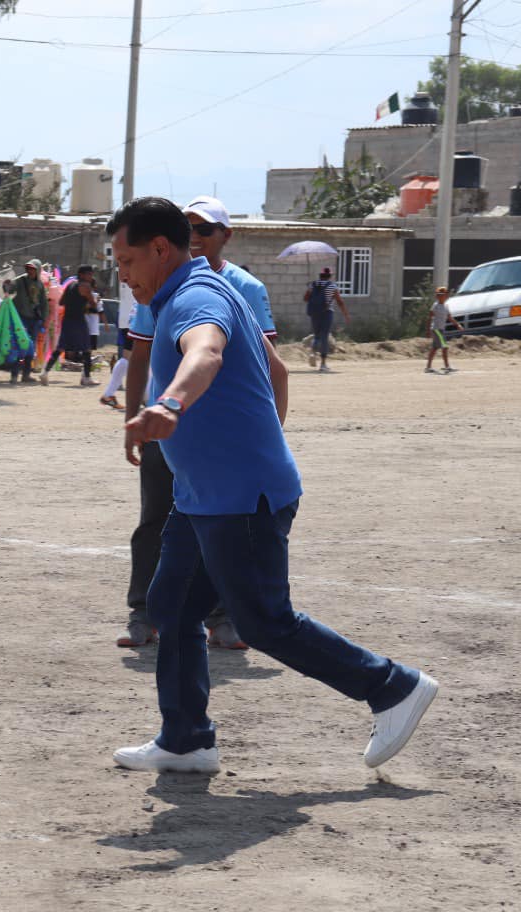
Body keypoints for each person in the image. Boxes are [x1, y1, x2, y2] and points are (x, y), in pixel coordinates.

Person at [108, 196, 435, 773]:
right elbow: (275, 369)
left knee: (263, 620)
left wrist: (170, 404)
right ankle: (187, 740)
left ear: (160, 249)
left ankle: (392, 687)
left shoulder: (196, 298)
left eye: (126, 260)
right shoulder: (210, 285)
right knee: (174, 606)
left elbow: (205, 350)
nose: (122, 275)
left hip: (239, 496)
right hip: (206, 492)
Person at [119, 195, 283, 652]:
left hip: (214, 443)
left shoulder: (232, 289)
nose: (194, 235)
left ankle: (224, 616)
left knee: (229, 549)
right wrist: (139, 414)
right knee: (157, 524)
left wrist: (171, 404)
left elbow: (219, 354)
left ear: (225, 236)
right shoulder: (155, 286)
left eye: (204, 229)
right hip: (166, 432)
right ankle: (144, 613)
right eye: (187, 227)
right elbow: (141, 356)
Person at [4, 261, 48, 383]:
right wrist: (7, 286)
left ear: (38, 270)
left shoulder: (40, 285)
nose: (30, 271)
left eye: (33, 269)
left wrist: (44, 320)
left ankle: (26, 375)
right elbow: (10, 289)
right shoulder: (20, 280)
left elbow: (44, 303)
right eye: (28, 268)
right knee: (19, 345)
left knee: (30, 347)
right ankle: (14, 375)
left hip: (34, 320)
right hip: (20, 318)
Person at [42, 274, 90, 384]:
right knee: (86, 348)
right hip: (78, 321)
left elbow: (61, 302)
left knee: (60, 348)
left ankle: (45, 371)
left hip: (67, 320)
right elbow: (93, 304)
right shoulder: (84, 287)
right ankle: (86, 377)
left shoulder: (70, 286)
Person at [303, 266, 348, 371]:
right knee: (324, 337)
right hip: (326, 313)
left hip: (314, 313)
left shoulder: (312, 285)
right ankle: (323, 364)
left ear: (321, 275)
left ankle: (313, 353)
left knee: (316, 335)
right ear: (329, 276)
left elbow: (305, 299)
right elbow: (340, 302)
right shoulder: (332, 286)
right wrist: (346, 315)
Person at [425, 286, 462, 373]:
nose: (440, 296)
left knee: (434, 348)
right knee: (444, 347)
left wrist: (457, 325)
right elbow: (429, 318)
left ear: (446, 295)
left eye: (442, 294)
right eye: (438, 294)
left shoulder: (446, 306)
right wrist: (428, 331)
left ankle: (428, 367)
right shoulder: (435, 306)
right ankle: (447, 366)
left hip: (441, 329)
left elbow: (449, 317)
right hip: (436, 329)